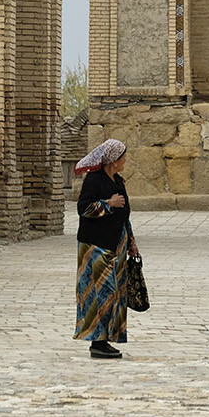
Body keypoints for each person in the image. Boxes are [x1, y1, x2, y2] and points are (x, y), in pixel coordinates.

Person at [73, 138, 137, 359]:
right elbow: (83, 209)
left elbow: (125, 214)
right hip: (95, 245)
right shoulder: (94, 180)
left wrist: (131, 242)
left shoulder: (118, 181)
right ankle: (96, 340)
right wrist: (108, 204)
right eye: (122, 157)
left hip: (117, 245)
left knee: (116, 293)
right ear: (113, 160)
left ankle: (107, 338)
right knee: (101, 292)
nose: (125, 161)